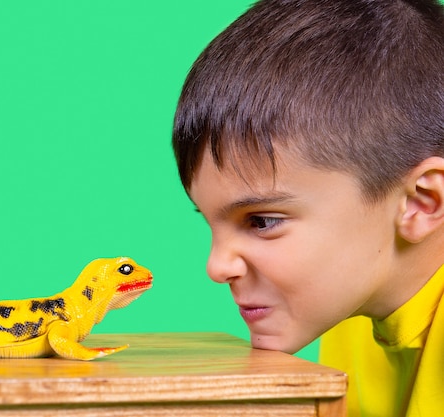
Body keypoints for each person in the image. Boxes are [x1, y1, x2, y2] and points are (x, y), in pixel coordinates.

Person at [171, 0, 444, 415]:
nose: (217, 266)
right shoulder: (351, 311)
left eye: (261, 221)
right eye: (211, 222)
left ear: (423, 203)